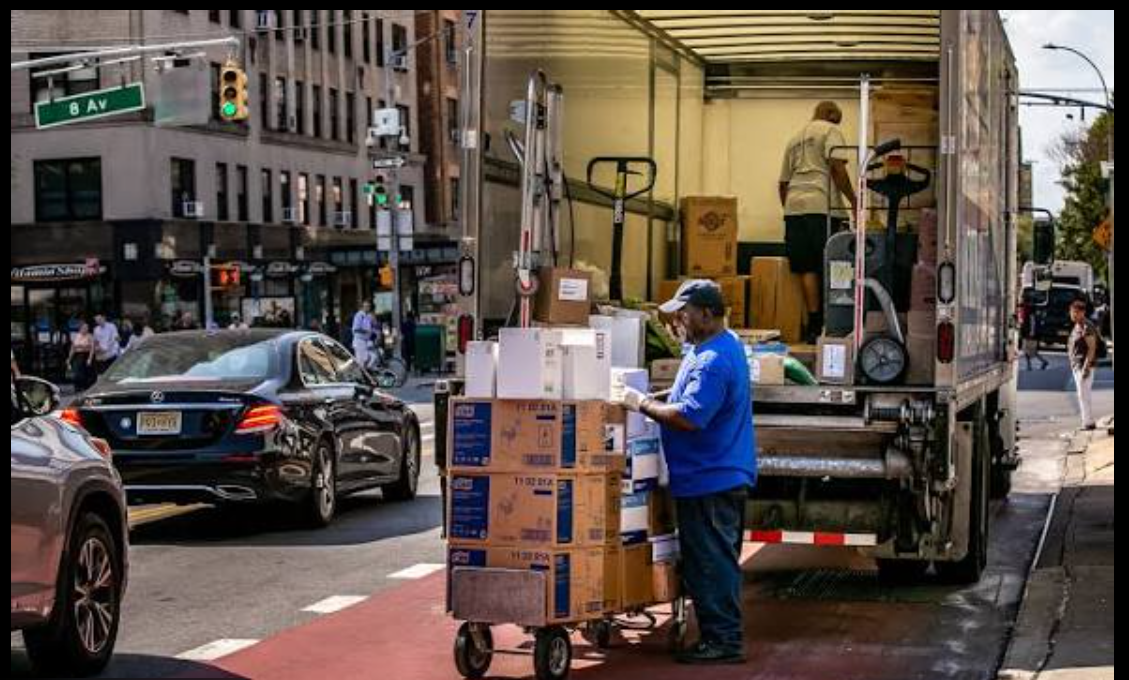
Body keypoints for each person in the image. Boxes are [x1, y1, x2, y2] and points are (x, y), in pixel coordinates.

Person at [616, 280, 755, 665]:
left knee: (712, 561)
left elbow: (691, 416)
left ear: (707, 314)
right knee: (707, 558)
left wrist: (641, 404)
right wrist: (659, 399)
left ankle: (724, 641)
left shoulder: (714, 360)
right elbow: (686, 400)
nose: (679, 319)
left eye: (685, 312)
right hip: (707, 474)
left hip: (712, 476)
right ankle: (720, 635)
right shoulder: (711, 348)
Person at [779, 101, 858, 344]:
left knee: (807, 268)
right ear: (832, 114)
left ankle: (814, 326)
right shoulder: (830, 131)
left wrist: (793, 208)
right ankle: (836, 322)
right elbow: (837, 168)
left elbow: (782, 183)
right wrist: (855, 201)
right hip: (822, 207)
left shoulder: (794, 139)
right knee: (837, 264)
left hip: (794, 208)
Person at [1068, 298, 1100, 430]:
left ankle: (1088, 422)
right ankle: (1088, 421)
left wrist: (1087, 366)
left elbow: (1091, 348)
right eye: (1072, 312)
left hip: (1084, 365)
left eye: (1076, 312)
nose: (1073, 314)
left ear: (1082, 312)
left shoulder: (1087, 326)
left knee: (1083, 394)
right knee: (1083, 394)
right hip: (1078, 365)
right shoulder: (1078, 326)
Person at [1020, 299, 1048, 370]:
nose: (1022, 309)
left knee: (1030, 351)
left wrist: (1031, 334)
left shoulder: (1030, 315)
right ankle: (1031, 365)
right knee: (1029, 351)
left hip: (1030, 336)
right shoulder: (1028, 315)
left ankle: (1036, 364)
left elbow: (1032, 325)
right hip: (1029, 335)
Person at [67, 322, 96, 390]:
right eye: (84, 328)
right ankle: (78, 387)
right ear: (80, 328)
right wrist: (69, 358)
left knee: (86, 372)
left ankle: (86, 387)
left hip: (86, 354)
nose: (86, 329)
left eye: (87, 328)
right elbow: (72, 348)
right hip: (77, 355)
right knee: (77, 372)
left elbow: (92, 348)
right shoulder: (76, 336)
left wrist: (90, 358)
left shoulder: (90, 336)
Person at [351, 300, 376, 366]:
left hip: (366, 341)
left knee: (372, 357)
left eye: (368, 306)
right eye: (366, 306)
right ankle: (361, 374)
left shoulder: (369, 316)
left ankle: (366, 372)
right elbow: (356, 329)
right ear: (362, 307)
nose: (367, 308)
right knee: (361, 361)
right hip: (359, 341)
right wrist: (366, 331)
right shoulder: (359, 315)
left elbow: (372, 326)